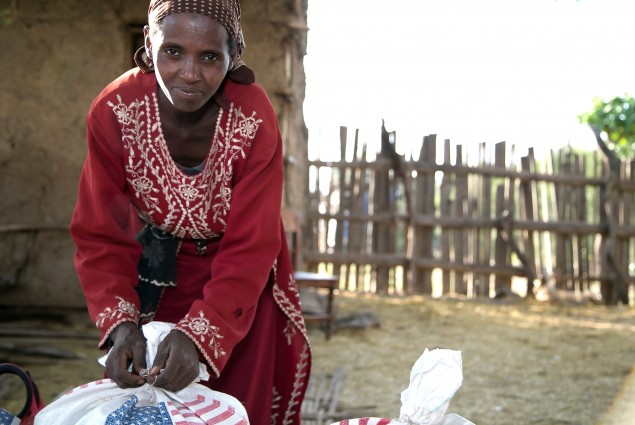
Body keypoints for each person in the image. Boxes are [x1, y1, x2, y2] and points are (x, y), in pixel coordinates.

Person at [69, 0, 311, 423]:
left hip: (240, 286)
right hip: (158, 273)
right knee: (155, 404)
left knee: (238, 405)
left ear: (234, 55)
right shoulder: (114, 112)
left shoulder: (253, 117)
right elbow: (100, 234)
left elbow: (252, 244)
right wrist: (120, 324)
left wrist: (203, 334)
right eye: (173, 51)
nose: (190, 73)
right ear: (149, 42)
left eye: (211, 57)